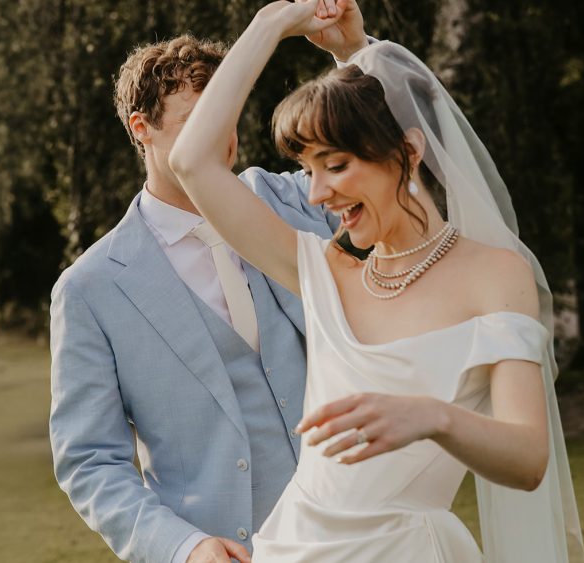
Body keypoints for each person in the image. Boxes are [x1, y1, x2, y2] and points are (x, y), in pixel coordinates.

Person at [168, 1, 584, 562]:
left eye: (336, 165)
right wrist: (273, 24)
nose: (317, 193)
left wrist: (433, 418)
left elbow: (529, 457)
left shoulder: (495, 275)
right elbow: (192, 162)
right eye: (309, 170)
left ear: (409, 152)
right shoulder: (321, 271)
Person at [48, 4, 370, 562]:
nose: (220, 137)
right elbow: (90, 461)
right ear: (141, 129)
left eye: (227, 113)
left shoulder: (295, 199)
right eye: (198, 120)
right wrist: (182, 547)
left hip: (356, 533)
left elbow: (392, 156)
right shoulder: (91, 289)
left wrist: (352, 53)